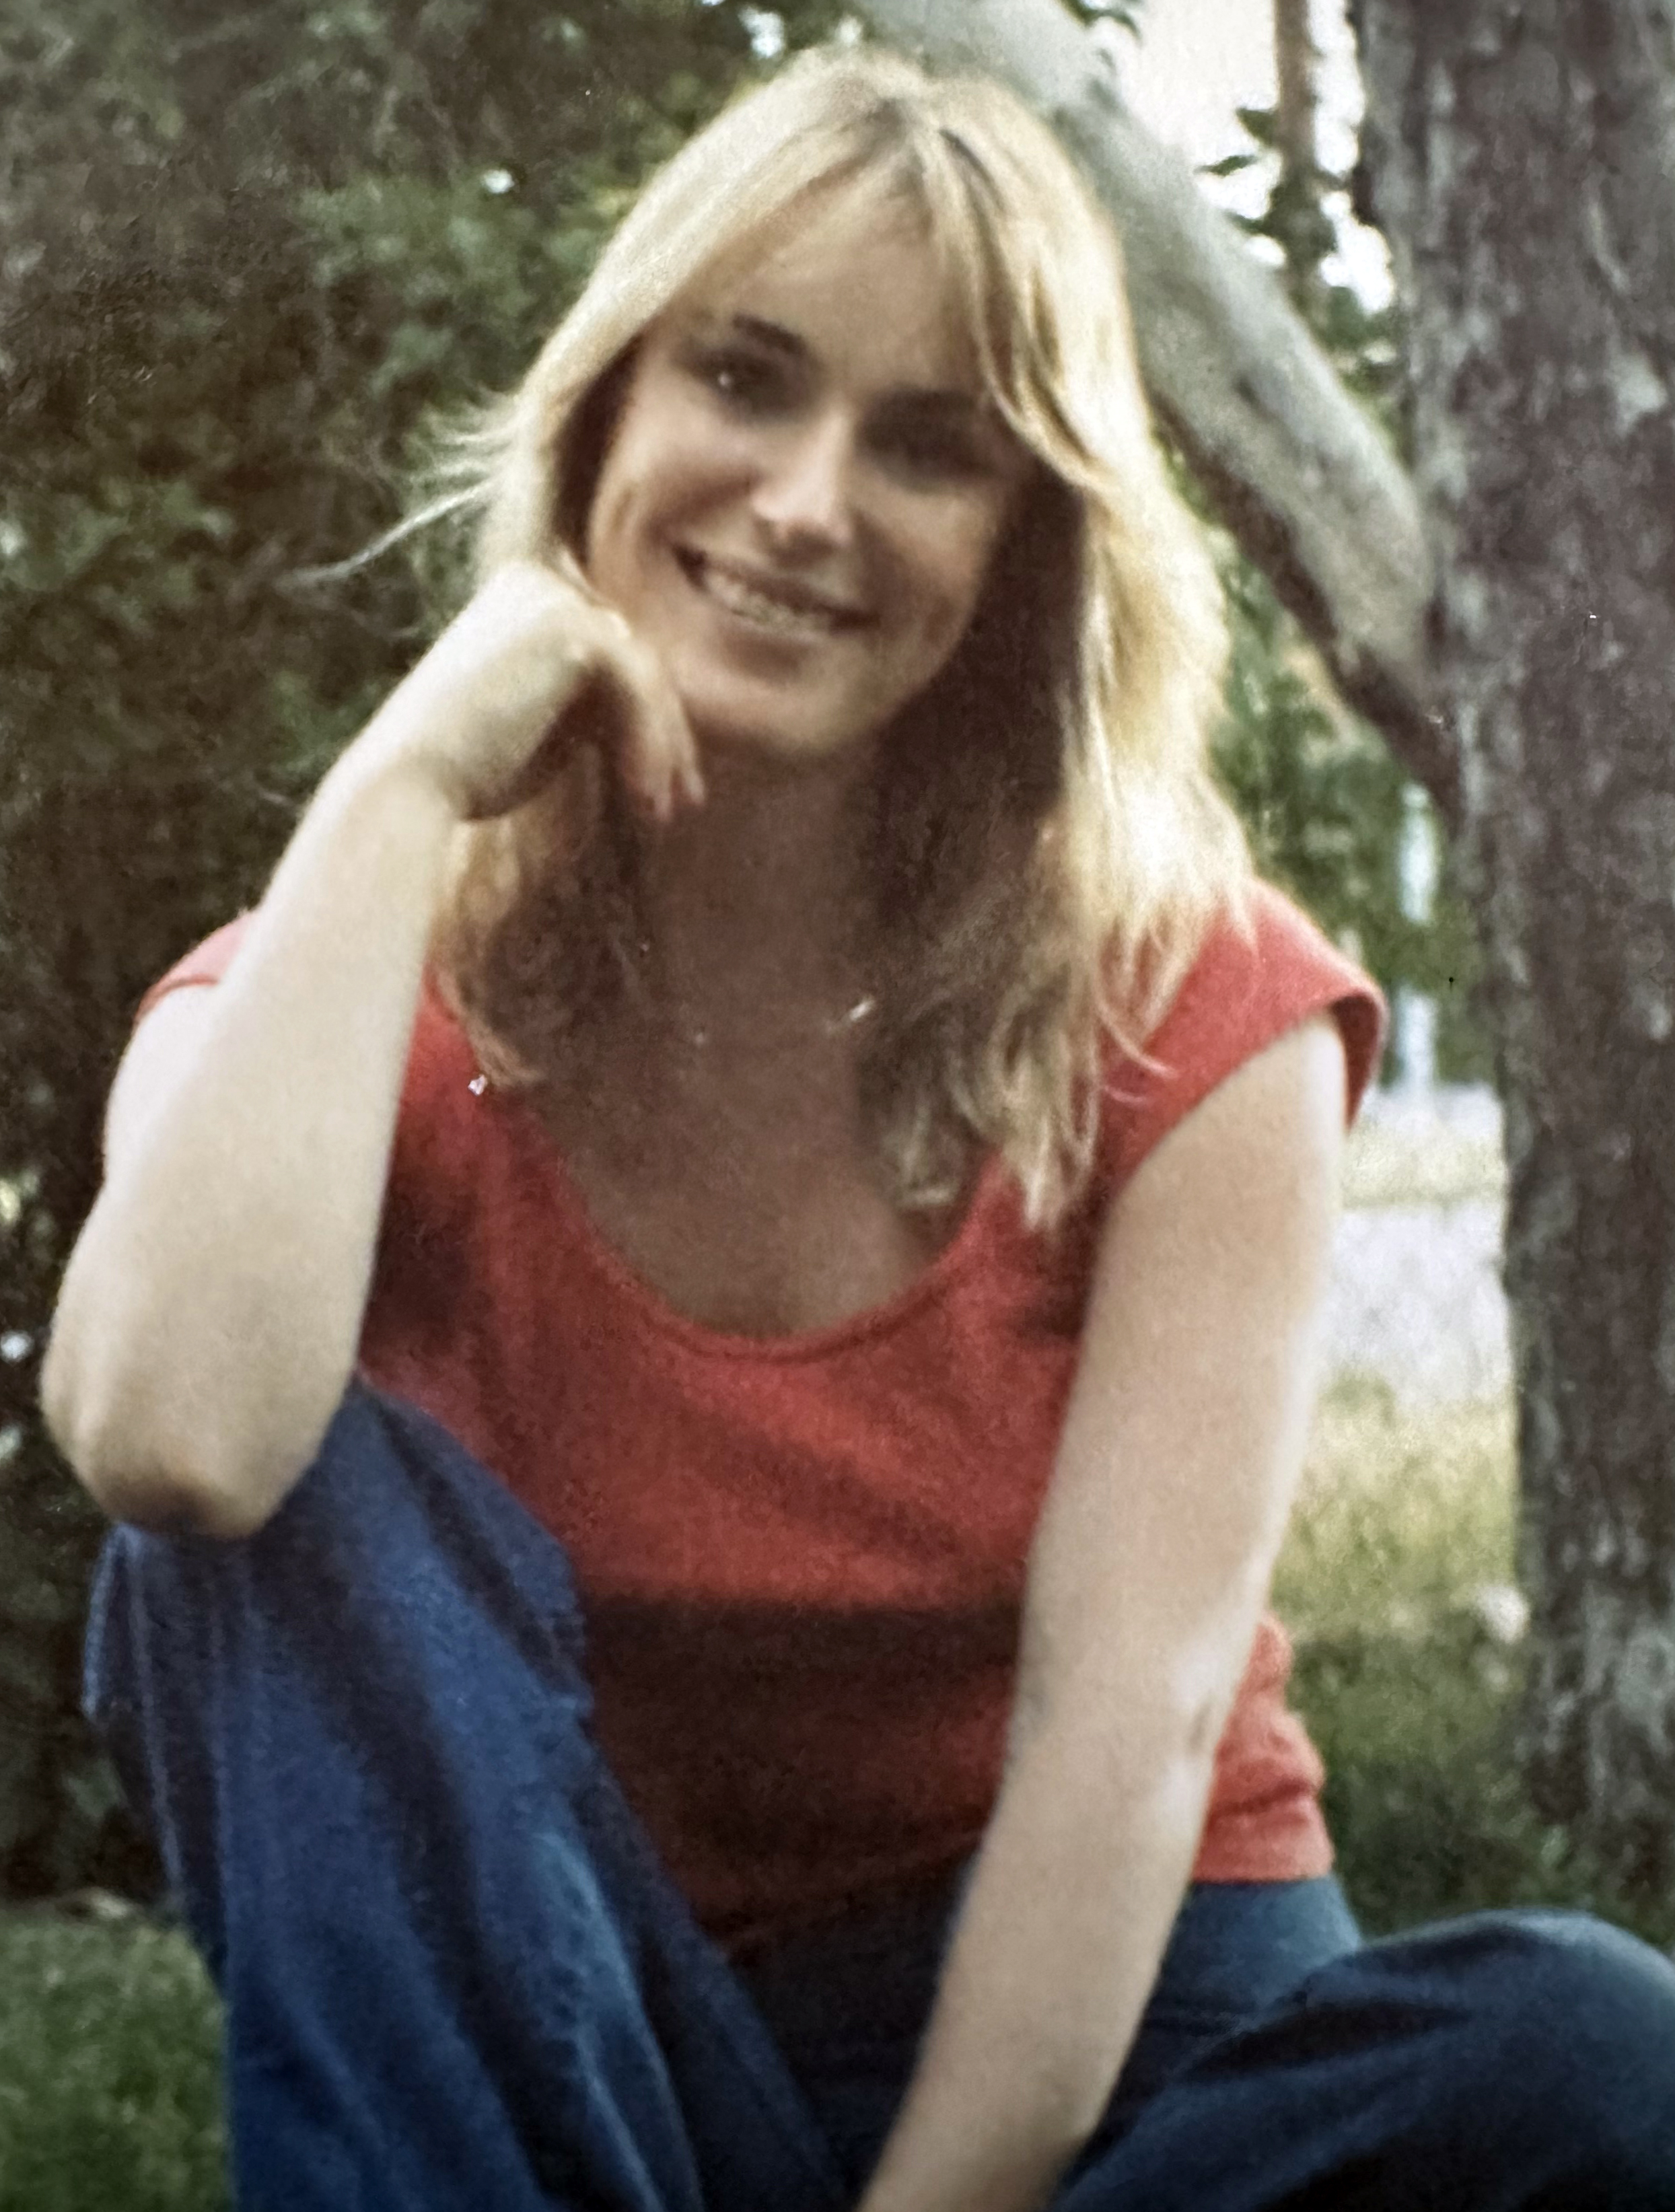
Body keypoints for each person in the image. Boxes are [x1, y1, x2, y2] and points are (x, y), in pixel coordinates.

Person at [42, 40, 1675, 2212]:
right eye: (743, 379)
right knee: (274, 1499)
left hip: (1129, 2063)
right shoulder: (339, 985)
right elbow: (167, 1448)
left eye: (929, 449)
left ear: (1022, 550)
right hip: (579, 2058)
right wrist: (400, 793)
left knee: (1588, 2048)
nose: (807, 503)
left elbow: (1126, 1746)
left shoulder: (1192, 1007)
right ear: (608, 411)